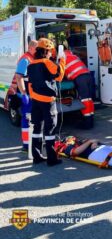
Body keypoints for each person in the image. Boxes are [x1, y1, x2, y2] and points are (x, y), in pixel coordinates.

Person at [27, 38, 65, 166]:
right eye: (50, 51)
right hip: (48, 102)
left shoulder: (30, 65)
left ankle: (37, 156)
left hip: (36, 101)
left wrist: (34, 96)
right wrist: (62, 60)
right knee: (50, 130)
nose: (51, 54)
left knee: (37, 128)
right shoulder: (46, 62)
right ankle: (52, 159)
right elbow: (59, 75)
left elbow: (30, 84)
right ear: (46, 50)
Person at [64, 44, 94, 129]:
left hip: (80, 78)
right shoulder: (73, 55)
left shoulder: (62, 57)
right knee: (89, 99)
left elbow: (61, 72)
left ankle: (87, 123)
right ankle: (91, 120)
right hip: (88, 76)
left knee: (84, 100)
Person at [15, 40, 38, 151]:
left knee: (32, 118)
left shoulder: (32, 58)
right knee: (27, 118)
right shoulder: (25, 59)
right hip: (27, 95)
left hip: (32, 94)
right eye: (37, 49)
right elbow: (19, 77)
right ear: (31, 48)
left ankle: (31, 142)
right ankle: (26, 144)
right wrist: (24, 93)